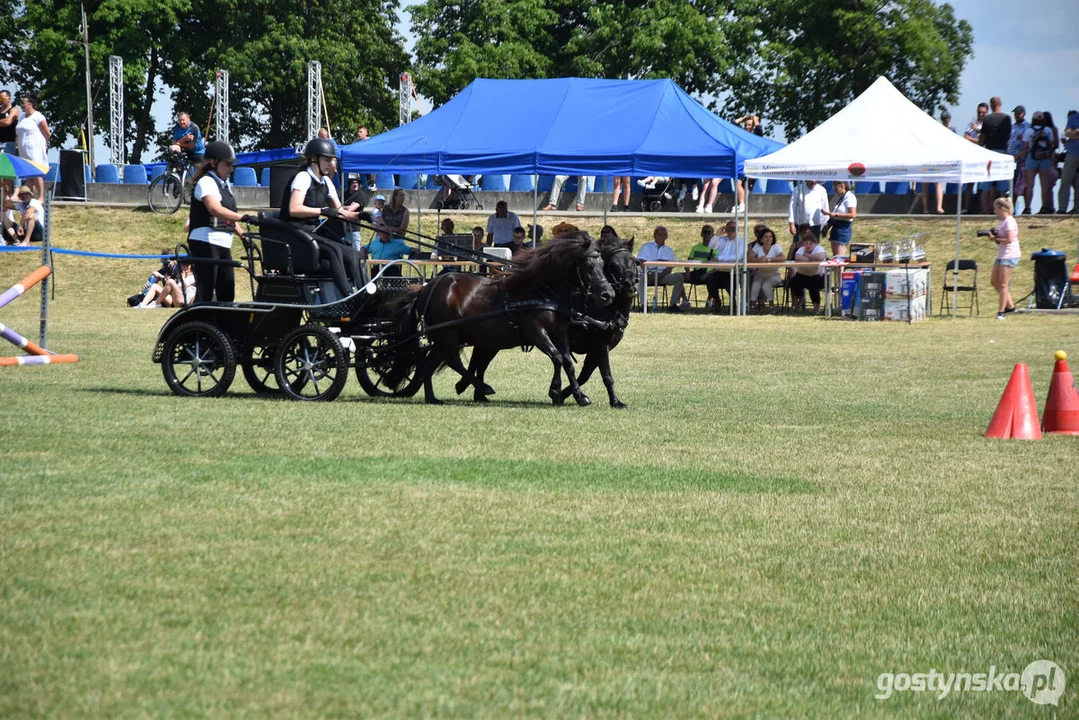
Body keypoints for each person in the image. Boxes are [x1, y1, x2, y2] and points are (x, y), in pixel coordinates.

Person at [280, 137, 365, 296]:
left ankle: (365, 293)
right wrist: (321, 211)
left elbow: (340, 210)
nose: (331, 164)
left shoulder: (325, 180)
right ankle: (347, 296)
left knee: (353, 253)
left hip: (312, 232)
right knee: (333, 250)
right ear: (314, 159)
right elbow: (293, 208)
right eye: (327, 160)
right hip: (296, 233)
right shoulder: (303, 177)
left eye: (332, 160)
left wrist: (362, 216)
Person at [186, 141, 249, 303]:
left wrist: (244, 236)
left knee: (227, 291)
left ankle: (220, 326)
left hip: (223, 243)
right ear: (214, 163)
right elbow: (215, 209)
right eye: (227, 164)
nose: (231, 169)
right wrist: (242, 217)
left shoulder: (224, 185)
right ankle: (197, 326)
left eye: (231, 165)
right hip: (205, 241)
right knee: (206, 291)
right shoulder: (206, 182)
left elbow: (228, 216)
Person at [637, 226, 690, 311]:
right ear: (654, 235)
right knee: (641, 279)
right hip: (647, 274)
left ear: (667, 236)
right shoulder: (646, 247)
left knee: (679, 277)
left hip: (663, 275)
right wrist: (649, 274)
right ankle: (644, 305)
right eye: (659, 234)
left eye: (664, 234)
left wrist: (660, 275)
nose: (661, 236)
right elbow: (641, 262)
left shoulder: (669, 251)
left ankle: (673, 304)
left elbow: (670, 267)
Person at [704, 220, 747, 312]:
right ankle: (717, 300)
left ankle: (733, 303)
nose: (731, 231)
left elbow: (737, 256)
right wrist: (717, 234)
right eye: (729, 229)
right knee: (710, 280)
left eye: (734, 229)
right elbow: (711, 246)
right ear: (726, 229)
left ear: (738, 230)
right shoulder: (721, 240)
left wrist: (719, 258)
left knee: (730, 284)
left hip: (734, 271)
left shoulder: (742, 241)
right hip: (720, 270)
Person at [1020, 112, 1058, 216]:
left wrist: (1023, 160)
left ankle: (1027, 208)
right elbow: (1051, 145)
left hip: (1031, 158)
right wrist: (1051, 161)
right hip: (1045, 159)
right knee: (1044, 185)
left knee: (1030, 185)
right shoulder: (1048, 130)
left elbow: (1025, 147)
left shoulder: (1029, 131)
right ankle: (1044, 207)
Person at [987, 197, 1019, 318]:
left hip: (1010, 254)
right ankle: (1010, 306)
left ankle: (1001, 312)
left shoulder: (1009, 221)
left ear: (1001, 209)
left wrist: (995, 238)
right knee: (994, 282)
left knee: (1003, 284)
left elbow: (1009, 239)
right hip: (1001, 254)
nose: (994, 211)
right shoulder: (1003, 222)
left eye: (995, 208)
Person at [978, 97, 1012, 213]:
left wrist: (980, 145)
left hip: (989, 152)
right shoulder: (1007, 118)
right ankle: (1003, 209)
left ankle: (984, 208)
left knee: (986, 182)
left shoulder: (987, 119)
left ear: (991, 105)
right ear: (1000, 104)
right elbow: (1008, 136)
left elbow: (982, 137)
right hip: (1002, 151)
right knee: (1002, 182)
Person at [14, 93, 50, 201]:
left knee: (36, 171)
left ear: (30, 104)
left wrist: (46, 145)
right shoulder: (22, 117)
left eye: (23, 103)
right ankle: (29, 196)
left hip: (35, 148)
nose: (21, 105)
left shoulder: (38, 116)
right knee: (28, 173)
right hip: (23, 148)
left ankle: (41, 196)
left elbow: (47, 133)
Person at [922, 111, 955, 213]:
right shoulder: (932, 131)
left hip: (937, 160)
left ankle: (938, 207)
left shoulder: (949, 130)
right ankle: (925, 208)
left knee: (937, 182)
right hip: (929, 159)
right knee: (926, 183)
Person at [789, 228, 828, 312]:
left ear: (815, 244)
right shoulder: (801, 249)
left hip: (818, 275)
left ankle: (816, 306)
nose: (808, 245)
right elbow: (797, 257)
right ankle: (801, 297)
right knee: (793, 283)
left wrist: (807, 256)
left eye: (810, 243)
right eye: (806, 243)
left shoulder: (819, 248)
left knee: (813, 286)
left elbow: (821, 257)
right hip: (803, 274)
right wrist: (810, 259)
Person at [748, 226, 785, 311]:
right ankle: (753, 307)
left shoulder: (776, 247)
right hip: (761, 273)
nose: (769, 239)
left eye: (770, 236)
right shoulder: (757, 246)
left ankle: (772, 306)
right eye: (766, 237)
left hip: (774, 274)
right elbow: (749, 258)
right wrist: (758, 260)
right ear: (761, 239)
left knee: (766, 285)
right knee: (755, 284)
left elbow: (783, 257)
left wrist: (768, 259)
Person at [821, 179, 857, 257]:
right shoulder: (842, 198)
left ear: (842, 185)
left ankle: (840, 269)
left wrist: (836, 214)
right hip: (836, 228)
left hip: (843, 229)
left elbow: (853, 214)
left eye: (836, 188)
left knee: (839, 257)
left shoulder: (850, 197)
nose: (835, 191)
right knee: (835, 256)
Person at [1058, 110, 1079, 214]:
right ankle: (1062, 208)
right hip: (1072, 153)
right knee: (1065, 180)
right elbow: (1067, 132)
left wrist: (1075, 133)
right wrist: (1073, 133)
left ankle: (1077, 208)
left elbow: (1071, 133)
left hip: (1073, 151)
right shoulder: (1073, 117)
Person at [1008, 105, 1030, 206]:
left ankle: (1027, 207)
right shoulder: (1012, 126)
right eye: (1015, 113)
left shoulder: (1028, 127)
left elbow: (1030, 142)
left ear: (1023, 114)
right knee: (1013, 184)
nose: (1016, 115)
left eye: (1018, 113)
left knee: (1023, 184)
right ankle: (1012, 205)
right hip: (1011, 160)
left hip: (1022, 160)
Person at [0, 89, 19, 198]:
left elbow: (8, 122)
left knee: (8, 169)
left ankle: (9, 193)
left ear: (9, 98)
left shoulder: (14, 109)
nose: (1, 101)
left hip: (9, 143)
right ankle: (3, 193)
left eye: (3, 99)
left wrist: (4, 122)